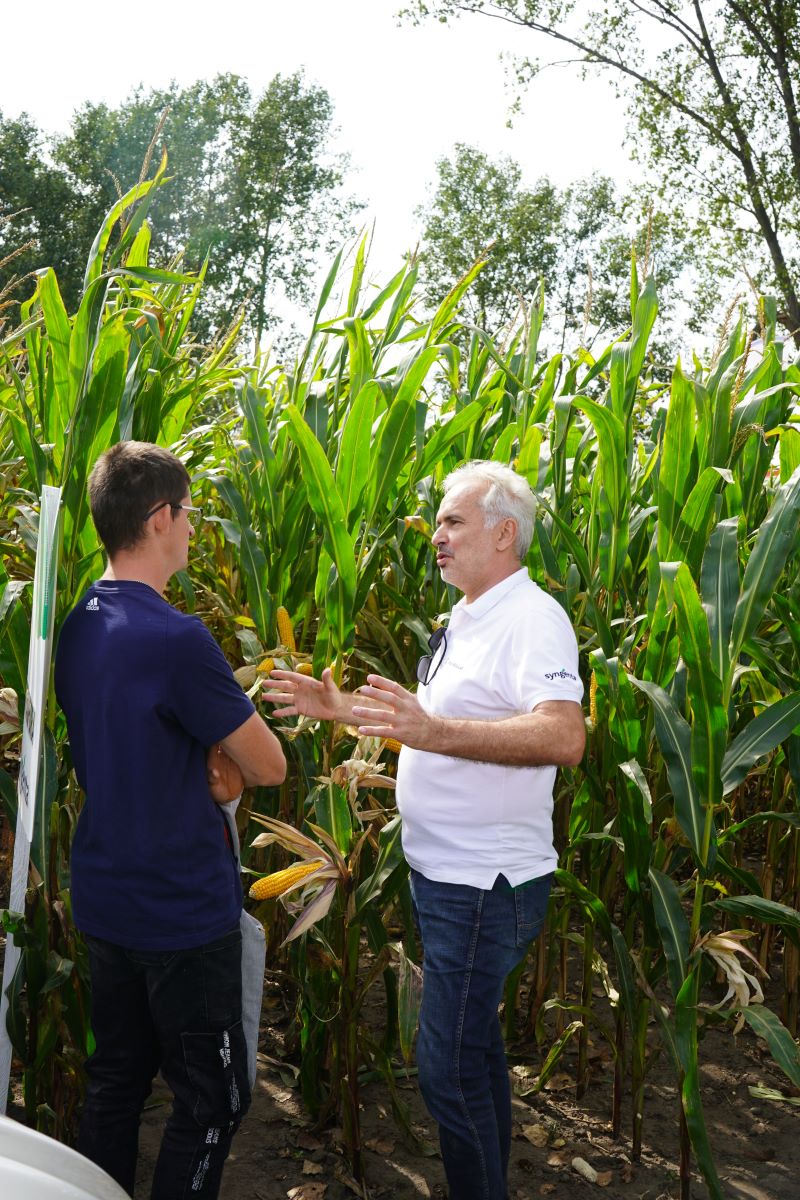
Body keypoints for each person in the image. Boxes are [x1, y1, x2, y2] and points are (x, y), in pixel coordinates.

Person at [264, 461, 584, 1200]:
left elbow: (563, 736)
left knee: (445, 1069)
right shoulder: (472, 615)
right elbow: (437, 726)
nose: (434, 535)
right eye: (438, 521)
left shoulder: (533, 619)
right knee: (474, 1053)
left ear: (505, 533)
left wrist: (433, 729)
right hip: (450, 878)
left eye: (452, 522)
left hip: (483, 884)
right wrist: (343, 708)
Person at [54, 441, 286, 1200]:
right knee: (211, 1100)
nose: (193, 528)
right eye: (188, 514)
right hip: (181, 913)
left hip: (106, 898)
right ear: (159, 518)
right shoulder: (178, 639)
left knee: (116, 1081)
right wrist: (219, 761)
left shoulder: (79, 621)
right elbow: (268, 764)